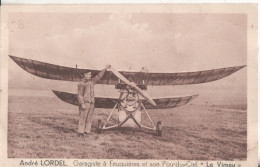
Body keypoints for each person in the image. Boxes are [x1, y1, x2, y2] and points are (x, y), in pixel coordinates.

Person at [77, 64, 111, 136]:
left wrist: (105, 69)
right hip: (85, 103)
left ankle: (87, 131)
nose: (89, 75)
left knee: (89, 118)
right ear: (84, 75)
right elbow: (79, 95)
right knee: (83, 118)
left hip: (92, 103)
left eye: (90, 74)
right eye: (87, 74)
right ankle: (80, 132)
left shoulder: (92, 82)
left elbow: (99, 76)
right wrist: (82, 104)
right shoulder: (81, 84)